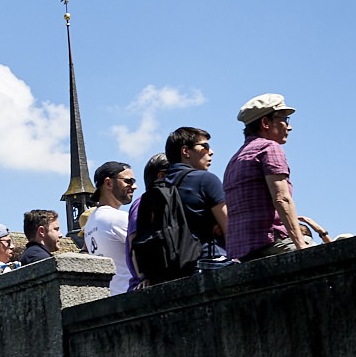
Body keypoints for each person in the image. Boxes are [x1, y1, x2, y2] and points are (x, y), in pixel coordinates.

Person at [224, 94, 313, 260]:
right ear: (265, 123)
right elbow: (281, 199)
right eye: (284, 119)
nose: (289, 127)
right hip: (270, 242)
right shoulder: (269, 147)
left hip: (240, 251)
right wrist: (301, 245)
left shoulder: (235, 159)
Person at [138, 127, 231, 280]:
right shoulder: (206, 180)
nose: (211, 152)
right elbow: (229, 226)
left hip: (168, 273)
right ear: (185, 151)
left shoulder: (156, 191)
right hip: (209, 264)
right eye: (205, 147)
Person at [83, 161, 135, 294]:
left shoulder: (90, 223)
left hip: (111, 298)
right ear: (109, 183)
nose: (134, 186)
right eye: (128, 181)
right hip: (131, 295)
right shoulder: (117, 218)